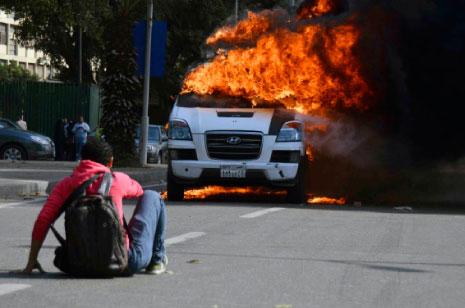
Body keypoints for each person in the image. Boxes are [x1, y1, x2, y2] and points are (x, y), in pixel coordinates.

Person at [15, 138, 168, 275]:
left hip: (78, 264)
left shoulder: (66, 185)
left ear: (82, 160)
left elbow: (43, 220)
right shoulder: (118, 179)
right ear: (110, 162)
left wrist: (31, 261)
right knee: (152, 196)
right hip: (123, 261)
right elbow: (140, 191)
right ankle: (156, 260)